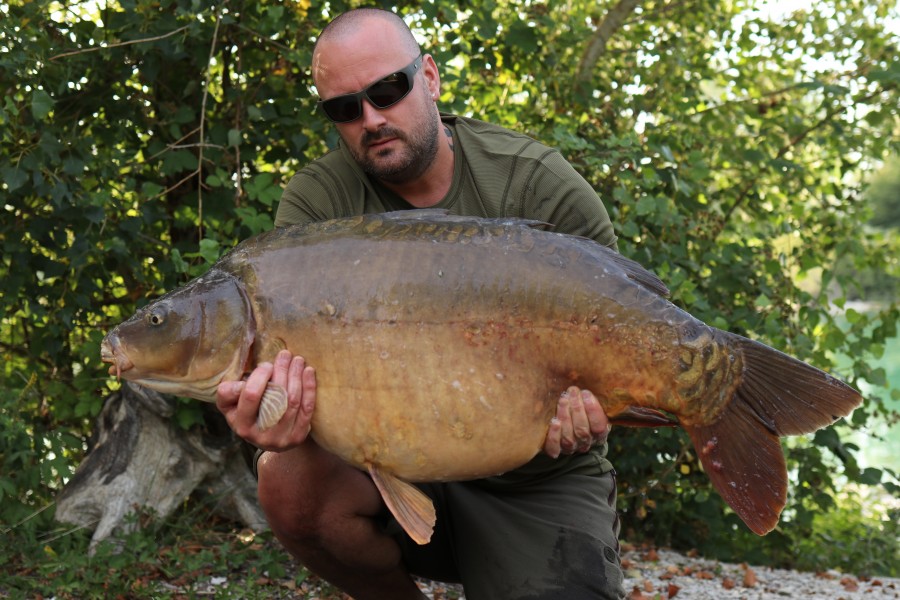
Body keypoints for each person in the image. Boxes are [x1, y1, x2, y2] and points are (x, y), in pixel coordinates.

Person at [216, 8, 625, 600]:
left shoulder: (537, 182)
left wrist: (591, 414)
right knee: (285, 479)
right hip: (387, 474)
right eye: (345, 108)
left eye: (388, 90)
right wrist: (273, 418)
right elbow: (289, 383)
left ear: (429, 77)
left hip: (534, 480)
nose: (372, 118)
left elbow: (624, 329)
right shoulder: (318, 206)